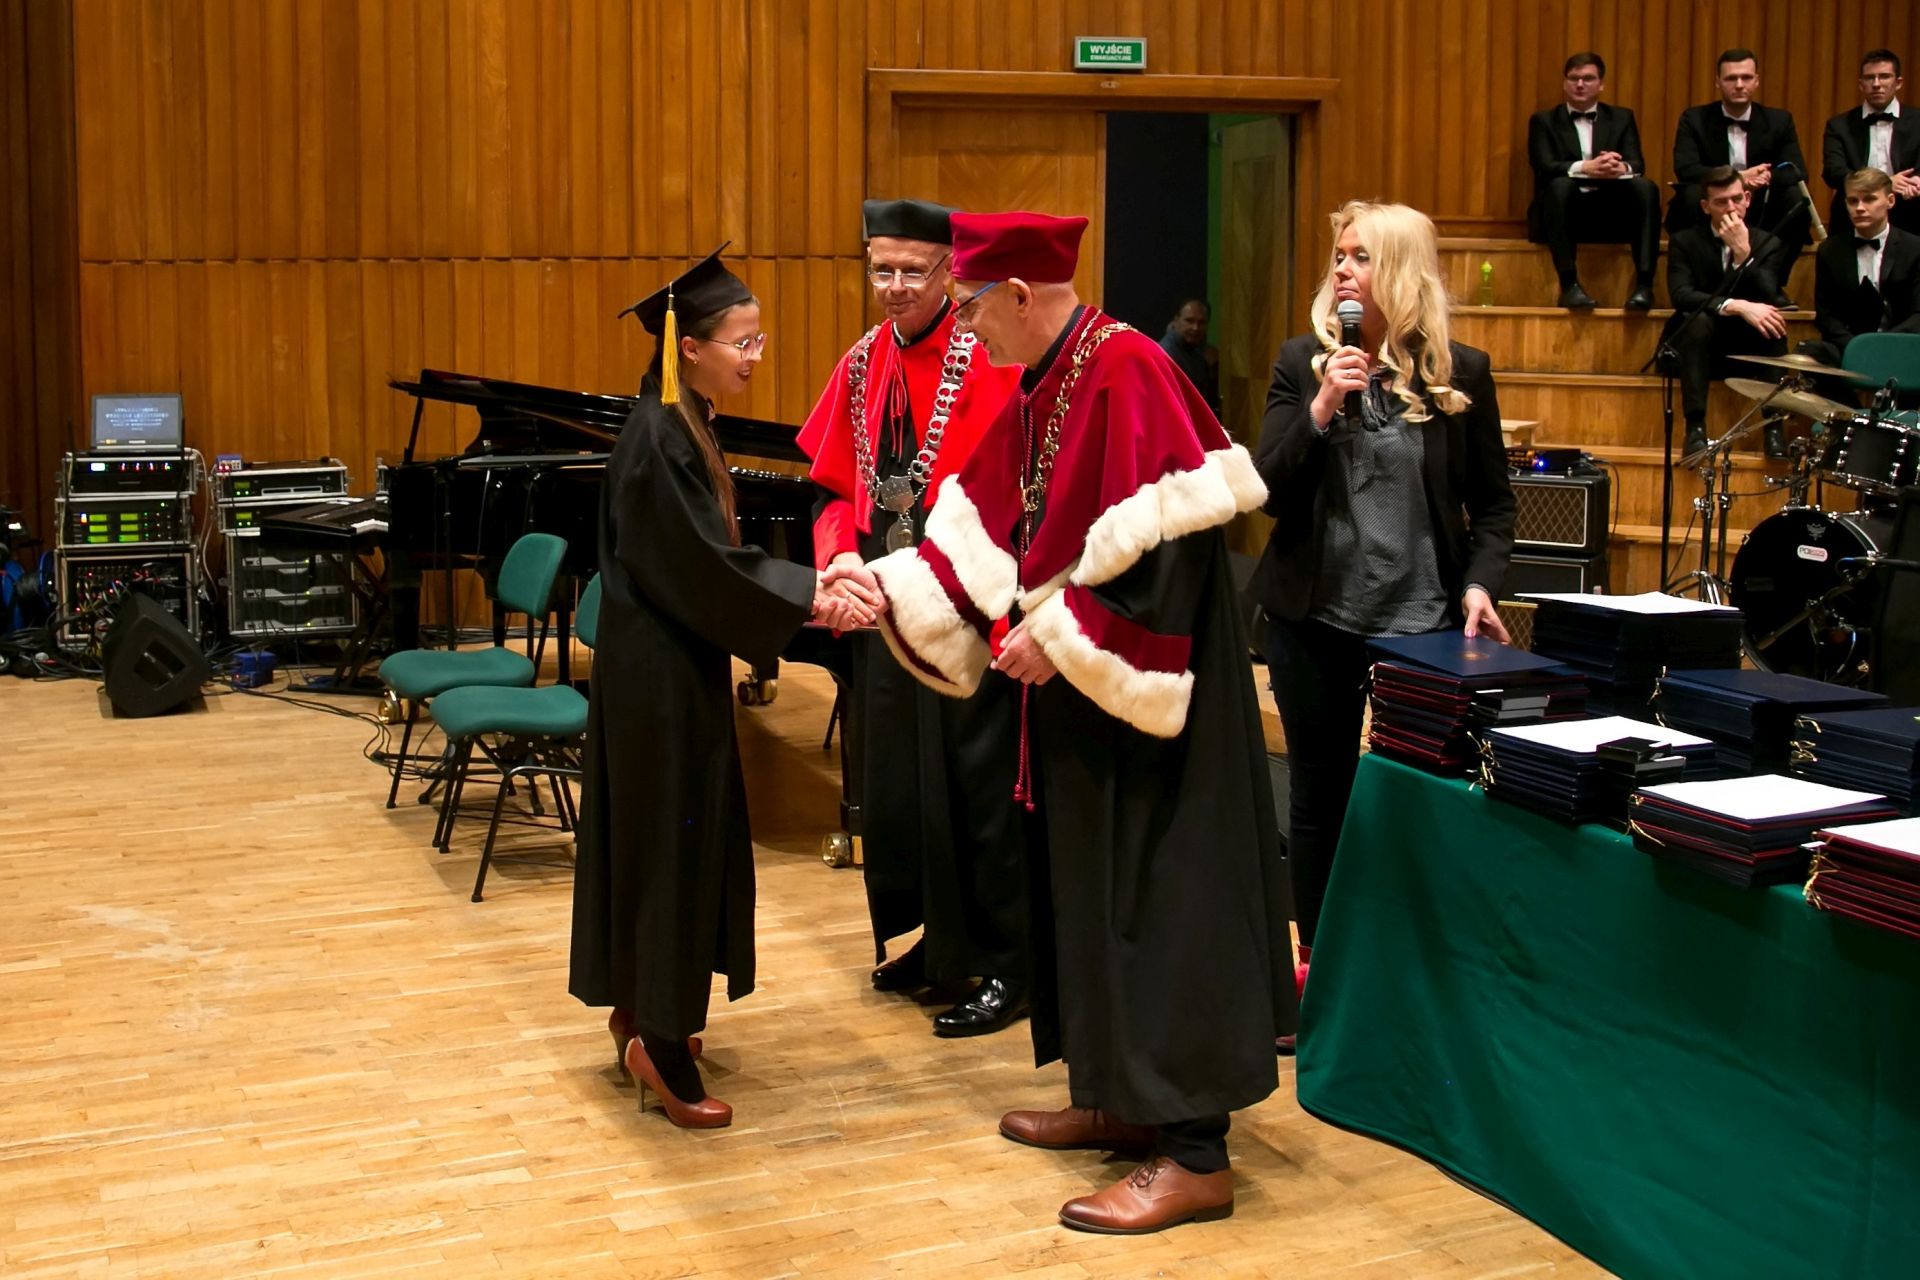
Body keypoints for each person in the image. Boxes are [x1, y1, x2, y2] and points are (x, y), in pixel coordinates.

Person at [833, 210, 1294, 1233]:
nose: (966, 330)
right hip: (1090, 706)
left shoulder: (1128, 370)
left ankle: (1194, 1152)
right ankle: (1121, 1095)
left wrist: (1065, 633)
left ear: (1020, 295)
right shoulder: (1052, 378)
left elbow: (1173, 559)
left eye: (972, 309)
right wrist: (886, 589)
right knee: (1087, 892)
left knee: (1159, 903)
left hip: (1155, 709)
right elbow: (987, 519)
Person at [569, 248, 874, 1130]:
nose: (754, 356)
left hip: (661, 668)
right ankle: (661, 1046)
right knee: (672, 845)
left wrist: (806, 588)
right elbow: (700, 564)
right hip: (661, 680)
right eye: (742, 342)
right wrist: (809, 593)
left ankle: (641, 1009)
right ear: (690, 347)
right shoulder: (661, 436)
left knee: (656, 839)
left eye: (758, 339)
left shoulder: (680, 419)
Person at [1252, 200, 1515, 1052]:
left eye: (1360, 255)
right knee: (1320, 794)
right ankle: (1320, 969)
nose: (1341, 268)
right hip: (1316, 619)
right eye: (1338, 254)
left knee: (1418, 797)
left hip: (1422, 623)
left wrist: (1481, 586)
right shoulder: (1301, 364)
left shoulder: (1461, 373)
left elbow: (1495, 507)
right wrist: (1324, 403)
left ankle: (1418, 967)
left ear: (1398, 268)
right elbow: (1267, 490)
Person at [795, 198, 1030, 1037]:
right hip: (885, 601)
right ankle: (939, 942)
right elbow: (831, 491)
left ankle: (1008, 964)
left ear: (948, 272)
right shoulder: (861, 362)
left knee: (977, 787)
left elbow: (1015, 496)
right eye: (881, 270)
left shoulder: (988, 359)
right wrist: (839, 560)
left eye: (912, 271)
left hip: (968, 603)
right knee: (900, 783)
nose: (894, 287)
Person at [1660, 167, 1799, 459]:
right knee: (1698, 322)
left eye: (1736, 199)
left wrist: (1743, 254)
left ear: (1748, 198)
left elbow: (1769, 294)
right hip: (1700, 346)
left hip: (1747, 345)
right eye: (1721, 202)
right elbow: (1682, 295)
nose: (1731, 208)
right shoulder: (1685, 241)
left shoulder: (1769, 242)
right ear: (1705, 206)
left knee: (1773, 325)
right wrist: (1735, 305)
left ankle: (1773, 429)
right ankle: (1695, 428)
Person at [1526, 51, 1661, 310]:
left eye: (1588, 78)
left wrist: (1619, 167)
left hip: (1609, 211)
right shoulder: (1544, 121)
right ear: (1565, 83)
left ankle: (1645, 286)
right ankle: (1569, 286)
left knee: (1645, 187)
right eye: (1573, 78)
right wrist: (1585, 167)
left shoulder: (1622, 117)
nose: (1580, 84)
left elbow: (1637, 164)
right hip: (1565, 212)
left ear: (1601, 84)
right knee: (1559, 185)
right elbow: (1543, 165)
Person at [1669, 49, 1813, 262]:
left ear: (1756, 81)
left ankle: (1774, 276)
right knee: (1690, 197)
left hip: (1760, 201)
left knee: (1796, 199)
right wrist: (1739, 178)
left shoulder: (1779, 120)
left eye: (1746, 77)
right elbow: (1686, 169)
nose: (1739, 84)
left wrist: (1765, 177)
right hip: (1715, 200)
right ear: (1718, 82)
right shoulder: (1694, 119)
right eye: (1731, 78)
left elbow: (1796, 170)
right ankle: (1702, 271)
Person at [1801, 168, 1920, 372]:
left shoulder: (1915, 248)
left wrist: (1880, 345)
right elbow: (1826, 314)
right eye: (1853, 201)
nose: (1860, 208)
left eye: (1869, 199)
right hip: (1849, 347)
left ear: (1890, 201)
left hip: (1900, 346)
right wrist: (1856, 348)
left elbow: (1918, 314)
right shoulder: (1830, 250)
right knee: (1811, 352)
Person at [1820, 50, 1920, 237]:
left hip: (1910, 214)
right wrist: (1885, 183)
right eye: (1869, 78)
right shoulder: (1839, 125)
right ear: (1861, 84)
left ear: (1898, 83)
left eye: (1884, 77)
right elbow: (1833, 173)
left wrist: (1917, 181)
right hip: (1853, 216)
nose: (1876, 84)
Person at [1158, 298, 1222, 414]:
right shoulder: (1167, 354)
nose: (1195, 327)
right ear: (1176, 320)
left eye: (1201, 322)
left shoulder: (1195, 349)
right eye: (1189, 321)